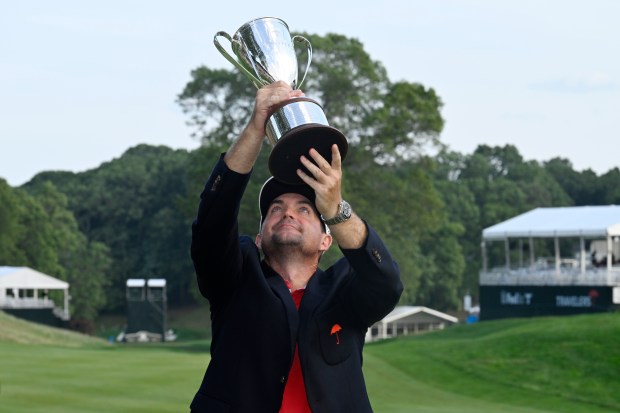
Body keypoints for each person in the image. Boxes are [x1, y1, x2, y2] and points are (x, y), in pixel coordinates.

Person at [189, 80, 403, 413]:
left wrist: (335, 207)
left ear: (325, 239)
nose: (287, 211)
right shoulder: (236, 278)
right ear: (259, 237)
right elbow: (212, 224)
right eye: (275, 209)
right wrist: (255, 128)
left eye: (304, 209)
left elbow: (386, 281)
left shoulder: (345, 289)